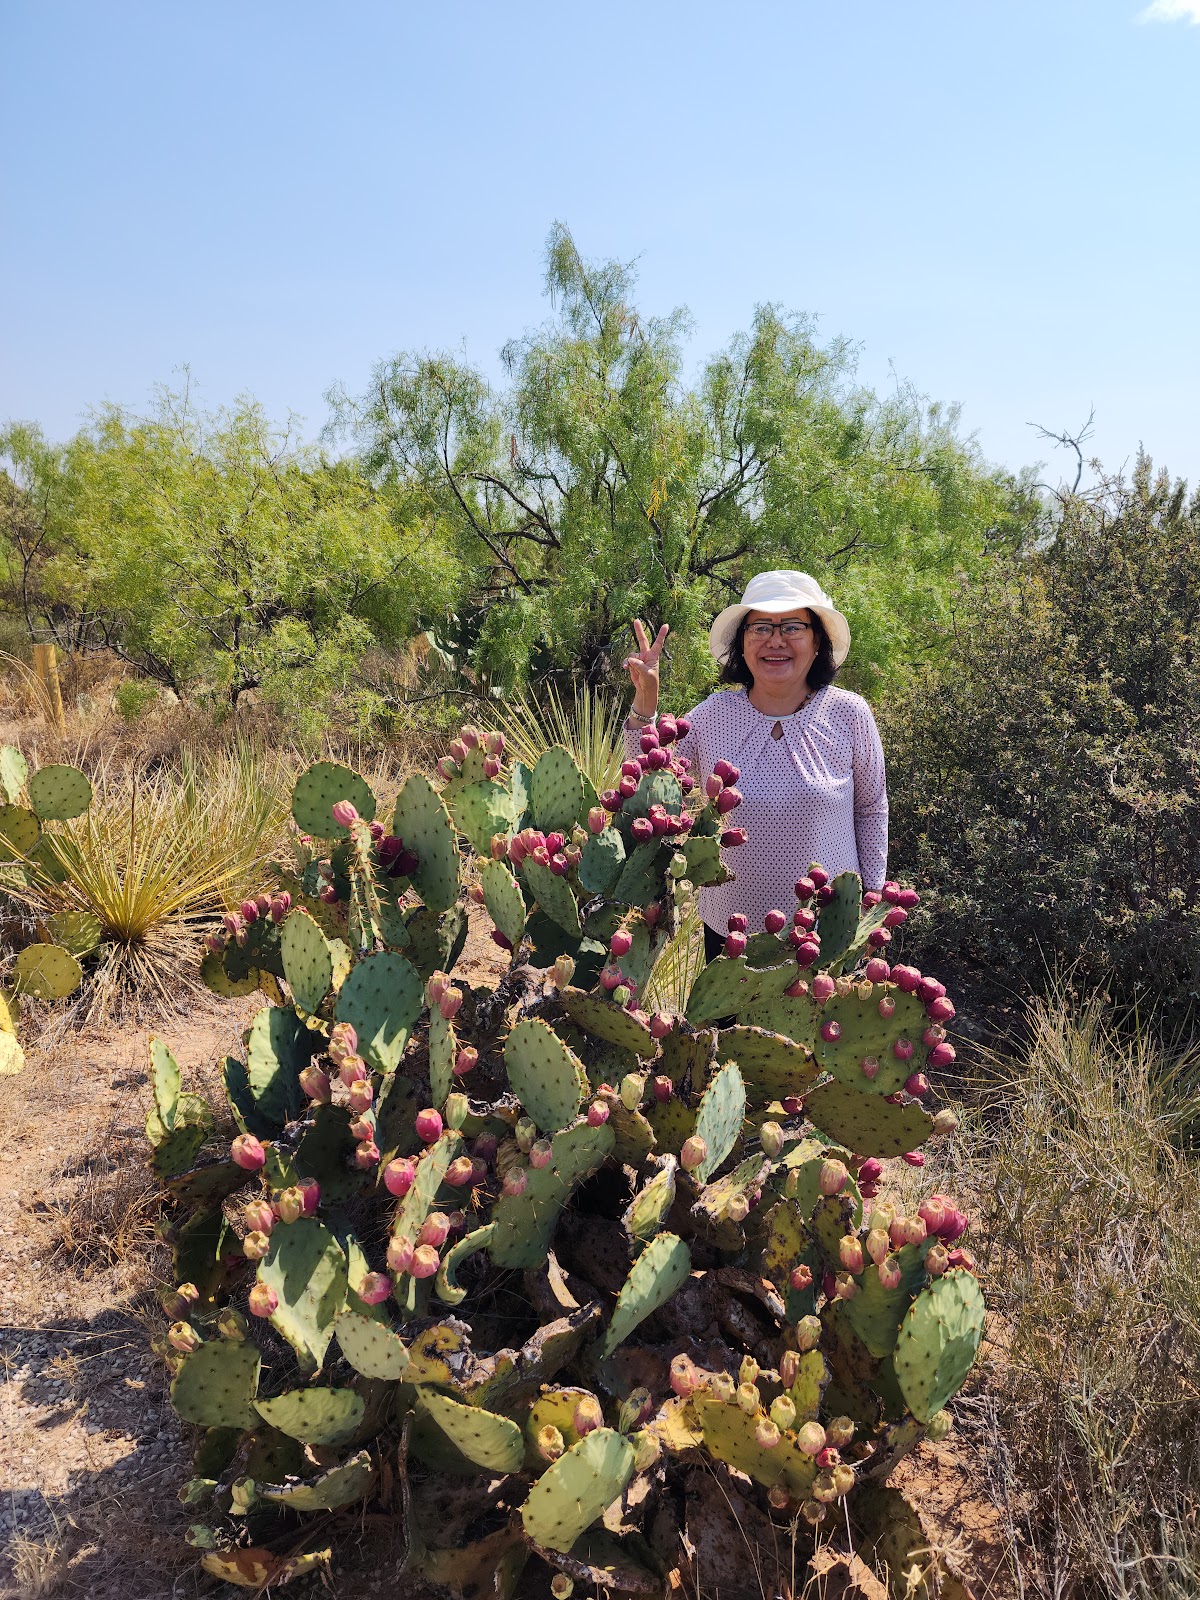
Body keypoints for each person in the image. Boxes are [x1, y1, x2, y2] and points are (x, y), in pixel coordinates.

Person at [623, 570, 888, 961]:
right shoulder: (714, 713)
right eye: (760, 627)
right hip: (731, 934)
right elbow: (651, 779)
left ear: (818, 642)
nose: (775, 640)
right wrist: (646, 703)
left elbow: (871, 808)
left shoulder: (849, 714)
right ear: (742, 645)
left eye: (793, 627)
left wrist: (873, 902)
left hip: (825, 931)